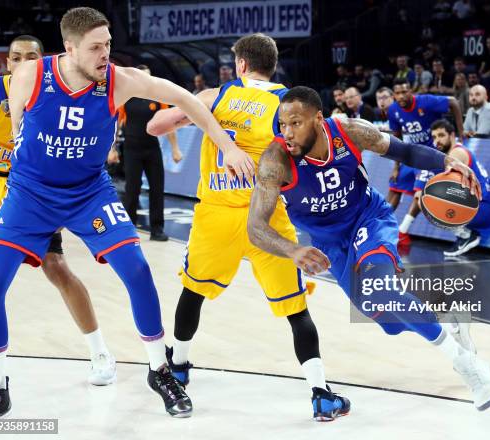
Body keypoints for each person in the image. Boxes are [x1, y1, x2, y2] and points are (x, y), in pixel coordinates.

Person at [0, 6, 255, 423]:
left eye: (108, 45)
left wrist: (227, 145)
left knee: (135, 268)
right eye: (96, 47)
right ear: (70, 47)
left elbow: (185, 98)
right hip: (31, 192)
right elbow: (18, 120)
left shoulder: (120, 80)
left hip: (89, 192)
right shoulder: (29, 75)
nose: (105, 54)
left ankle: (159, 369)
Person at [247, 86, 490, 412]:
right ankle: (449, 322)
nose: (288, 133)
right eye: (283, 125)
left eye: (296, 123)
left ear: (319, 119)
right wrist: (292, 250)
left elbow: (406, 152)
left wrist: (448, 162)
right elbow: (256, 227)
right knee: (388, 320)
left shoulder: (349, 132)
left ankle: (469, 367)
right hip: (329, 243)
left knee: (379, 289)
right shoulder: (275, 160)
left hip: (369, 219)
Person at [146, 33, 350, 422]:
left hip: (216, 215)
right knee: (296, 309)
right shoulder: (291, 104)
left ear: (240, 64)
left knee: (193, 292)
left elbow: (156, 125)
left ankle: (181, 366)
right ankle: (320, 393)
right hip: (268, 218)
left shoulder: (212, 97)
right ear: (273, 65)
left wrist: (200, 115)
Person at [0, 35, 116, 388]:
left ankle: (99, 350)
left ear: (43, 62)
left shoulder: (56, 90)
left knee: (57, 268)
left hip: (31, 195)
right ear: (7, 62)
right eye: (15, 57)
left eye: (30, 56)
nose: (21, 62)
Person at [388, 78, 464, 245]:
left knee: (420, 195)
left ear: (411, 92)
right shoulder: (393, 110)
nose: (401, 96)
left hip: (430, 157)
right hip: (410, 154)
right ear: (394, 95)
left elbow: (454, 102)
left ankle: (403, 231)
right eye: (398, 93)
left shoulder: (426, 102)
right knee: (394, 187)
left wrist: (461, 133)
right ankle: (379, 229)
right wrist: (396, 166)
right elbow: (396, 137)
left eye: (404, 91)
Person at [114, 64, 182, 241]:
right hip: (131, 149)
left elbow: (169, 125)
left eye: (148, 76)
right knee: (132, 190)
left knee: (157, 189)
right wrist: (112, 149)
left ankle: (157, 229)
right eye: (142, 76)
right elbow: (117, 124)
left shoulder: (159, 99)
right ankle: (128, 230)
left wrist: (175, 148)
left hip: (152, 148)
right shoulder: (126, 99)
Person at [414, 120, 490, 256]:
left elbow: (451, 165)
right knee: (426, 199)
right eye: (434, 137)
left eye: (441, 135)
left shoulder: (457, 152)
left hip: (482, 208)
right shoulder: (451, 153)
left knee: (428, 203)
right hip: (482, 207)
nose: (437, 141)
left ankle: (467, 235)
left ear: (452, 135)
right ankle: (465, 235)